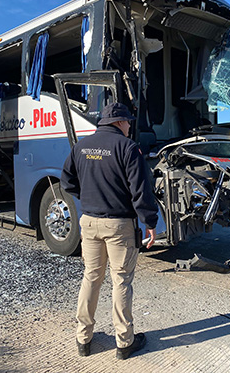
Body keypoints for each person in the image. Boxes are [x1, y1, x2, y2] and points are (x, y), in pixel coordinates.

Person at [61, 103, 158, 360]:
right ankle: (124, 342)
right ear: (118, 122)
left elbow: (67, 181)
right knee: (121, 280)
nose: (129, 126)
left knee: (91, 277)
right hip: (118, 226)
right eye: (127, 122)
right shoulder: (128, 148)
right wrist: (150, 222)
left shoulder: (81, 146)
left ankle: (83, 339)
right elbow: (141, 191)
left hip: (89, 222)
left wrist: (89, 198)